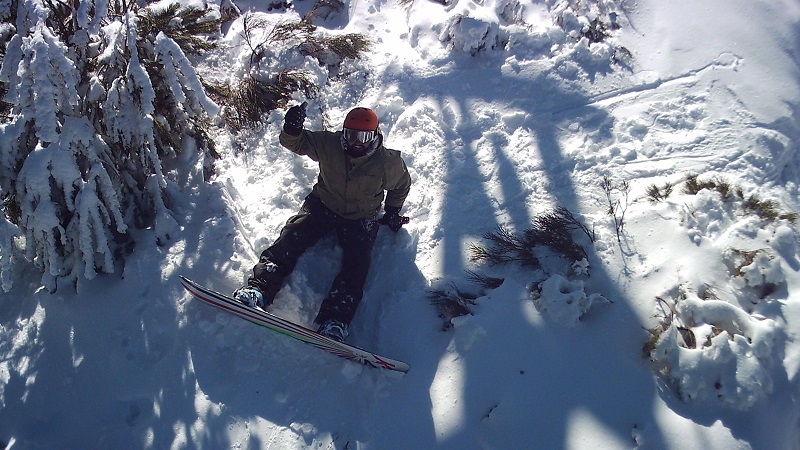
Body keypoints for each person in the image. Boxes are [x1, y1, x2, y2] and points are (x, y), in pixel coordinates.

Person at [232, 103, 412, 343]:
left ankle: (335, 320)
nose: (356, 143)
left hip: (361, 216)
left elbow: (401, 184)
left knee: (357, 265)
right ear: (344, 133)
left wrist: (391, 211)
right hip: (323, 205)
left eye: (363, 137)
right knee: (290, 237)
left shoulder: (387, 162)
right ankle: (259, 288)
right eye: (351, 135)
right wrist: (292, 128)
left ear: (375, 136)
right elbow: (295, 142)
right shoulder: (330, 145)